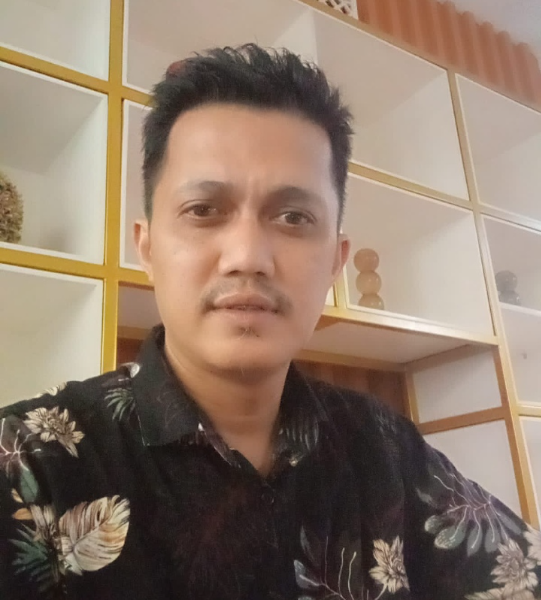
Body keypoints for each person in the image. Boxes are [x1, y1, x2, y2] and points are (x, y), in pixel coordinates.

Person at [0, 44, 539, 600]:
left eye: (293, 217)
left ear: (335, 261)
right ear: (148, 247)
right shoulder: (31, 465)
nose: (248, 256)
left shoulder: (385, 448)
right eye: (203, 210)